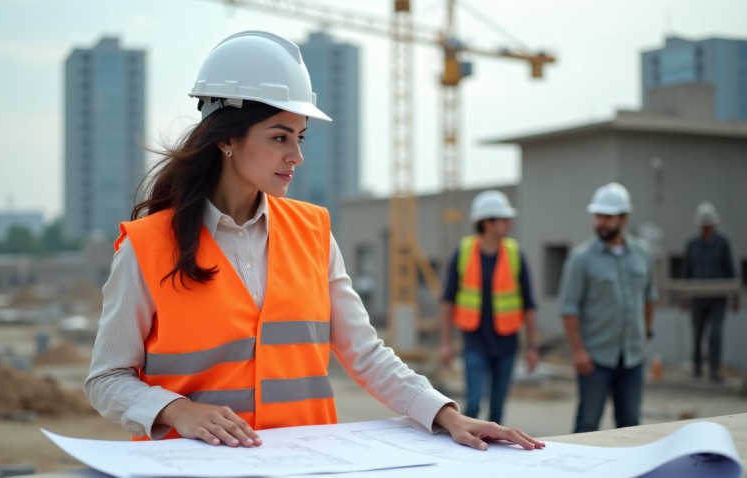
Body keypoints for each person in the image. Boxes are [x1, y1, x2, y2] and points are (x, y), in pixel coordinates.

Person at [84, 30, 544, 452]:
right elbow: (107, 378)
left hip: (303, 461)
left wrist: (444, 414)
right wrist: (175, 410)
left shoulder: (313, 231)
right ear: (227, 140)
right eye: (280, 137)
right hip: (194, 467)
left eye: (300, 137)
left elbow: (364, 354)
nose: (297, 156)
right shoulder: (147, 246)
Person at [559, 182, 657, 433]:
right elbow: (569, 308)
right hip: (595, 359)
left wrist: (646, 332)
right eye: (598, 216)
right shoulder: (581, 258)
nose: (601, 222)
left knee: (630, 426)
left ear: (624, 218)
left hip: (632, 358)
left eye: (608, 216)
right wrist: (578, 352)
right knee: (588, 424)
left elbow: (650, 295)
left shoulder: (642, 254)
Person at [440, 190, 538, 425]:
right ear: (487, 223)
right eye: (503, 219)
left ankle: (492, 456)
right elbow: (447, 301)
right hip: (475, 341)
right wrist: (446, 344)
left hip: (506, 343)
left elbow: (529, 305)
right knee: (473, 403)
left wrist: (532, 347)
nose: (508, 223)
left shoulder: (515, 254)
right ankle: (468, 451)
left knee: (497, 410)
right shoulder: (463, 252)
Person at [681, 201, 739, 383]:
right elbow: (686, 271)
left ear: (713, 225)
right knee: (697, 333)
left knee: (715, 334)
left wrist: (735, 297)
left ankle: (714, 369)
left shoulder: (722, 243)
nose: (705, 229)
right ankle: (697, 367)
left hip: (718, 298)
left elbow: (730, 270)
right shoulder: (692, 245)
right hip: (698, 297)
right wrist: (683, 296)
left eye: (708, 226)